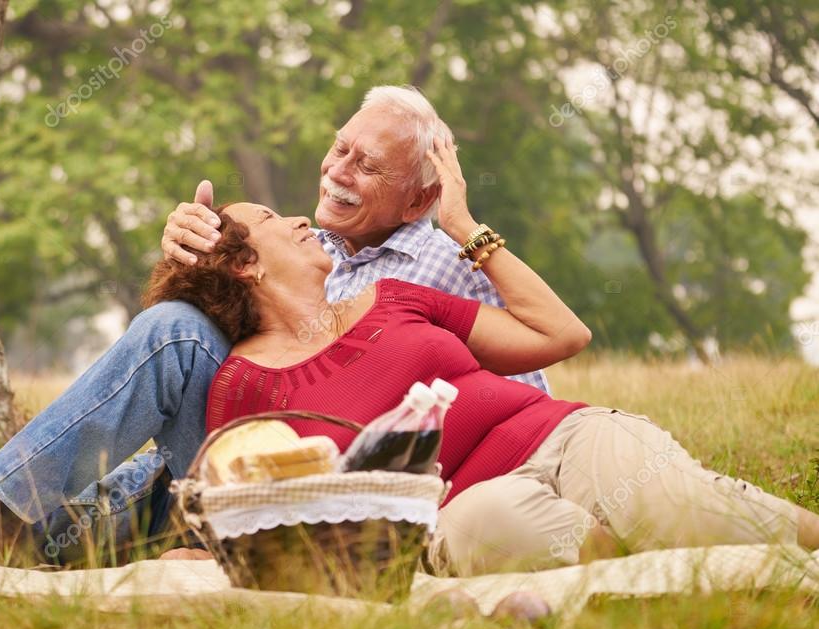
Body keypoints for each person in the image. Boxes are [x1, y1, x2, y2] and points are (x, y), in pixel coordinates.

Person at [0, 85, 553, 567]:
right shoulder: (320, 253)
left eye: (366, 166)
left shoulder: (439, 256)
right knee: (133, 446)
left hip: (349, 494)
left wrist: (468, 230)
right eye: (338, 148)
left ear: (419, 198)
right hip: (245, 466)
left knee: (174, 339)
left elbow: (528, 374)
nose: (333, 174)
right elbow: (241, 347)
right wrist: (193, 261)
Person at [140, 139, 819, 575]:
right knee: (498, 529)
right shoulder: (242, 385)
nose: (298, 218)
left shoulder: (394, 295)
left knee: (682, 512)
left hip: (563, 438)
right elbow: (243, 509)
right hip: (459, 508)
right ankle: (644, 574)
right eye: (268, 220)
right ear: (245, 266)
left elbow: (560, 334)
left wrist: (465, 229)